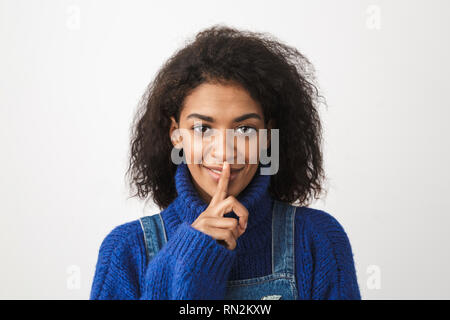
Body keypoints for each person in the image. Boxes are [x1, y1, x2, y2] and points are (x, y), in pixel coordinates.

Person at [89, 25, 361, 300]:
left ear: (268, 136)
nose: (224, 153)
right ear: (176, 135)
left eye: (244, 130)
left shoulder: (317, 240)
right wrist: (190, 252)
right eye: (203, 129)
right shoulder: (126, 251)